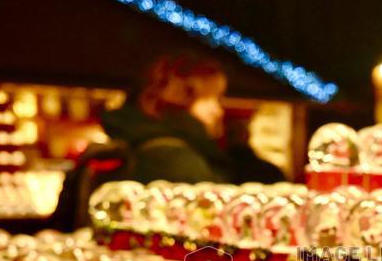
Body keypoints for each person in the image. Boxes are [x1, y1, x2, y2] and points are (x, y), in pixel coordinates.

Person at [53, 53, 282, 230]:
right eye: (208, 99)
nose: (218, 110)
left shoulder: (135, 141)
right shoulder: (177, 161)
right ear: (180, 101)